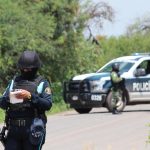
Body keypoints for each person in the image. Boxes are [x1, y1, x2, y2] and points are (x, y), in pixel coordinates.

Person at [0, 50, 52, 150]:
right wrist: (9, 98)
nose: (25, 71)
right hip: (13, 131)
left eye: (28, 69)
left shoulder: (42, 83)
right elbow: (2, 103)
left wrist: (30, 96)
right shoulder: (14, 82)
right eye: (23, 68)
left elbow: (48, 104)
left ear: (35, 68)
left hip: (32, 129)